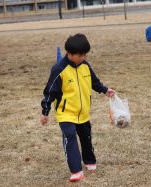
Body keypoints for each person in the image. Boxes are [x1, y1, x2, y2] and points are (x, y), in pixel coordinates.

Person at [40, 33, 115, 182]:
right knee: (70, 137)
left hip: (83, 112)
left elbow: (94, 82)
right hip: (66, 113)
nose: (83, 58)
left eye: (85, 55)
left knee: (86, 137)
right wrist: (45, 112)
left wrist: (105, 90)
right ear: (69, 53)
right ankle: (76, 170)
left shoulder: (85, 66)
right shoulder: (58, 69)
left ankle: (89, 160)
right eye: (80, 55)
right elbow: (50, 92)